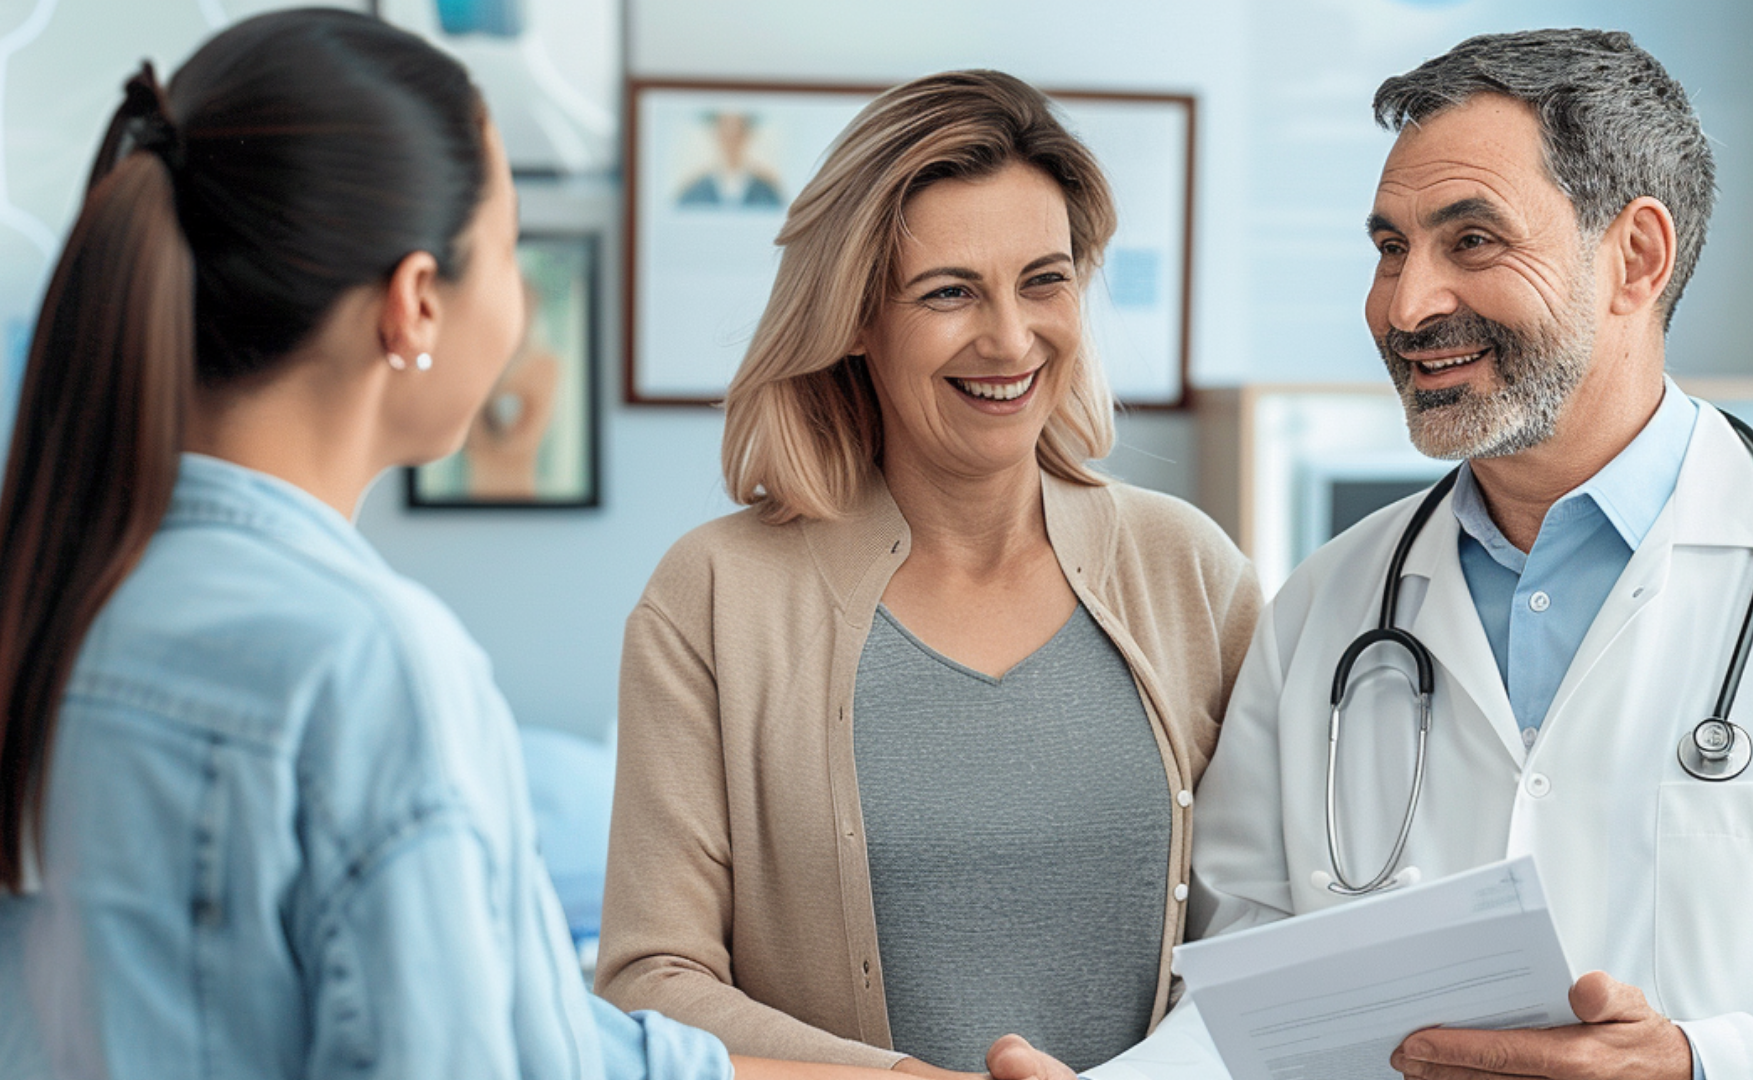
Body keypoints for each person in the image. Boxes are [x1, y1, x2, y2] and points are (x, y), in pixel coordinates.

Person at [0, 15, 1067, 1080]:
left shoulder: (63, 601)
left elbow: (545, 1046)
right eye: (507, 250)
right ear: (416, 304)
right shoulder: (367, 667)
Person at [1089, 28, 1753, 1080]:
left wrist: (1698, 1064)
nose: (1405, 304)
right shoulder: (1325, 608)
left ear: (1636, 258)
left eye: (1471, 241)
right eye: (1391, 247)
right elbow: (1249, 996)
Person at [596, 70, 1263, 1080]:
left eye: (1045, 280)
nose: (1009, 337)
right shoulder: (715, 597)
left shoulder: (1191, 573)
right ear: (858, 319)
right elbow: (649, 981)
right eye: (949, 292)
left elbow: (1267, 935)